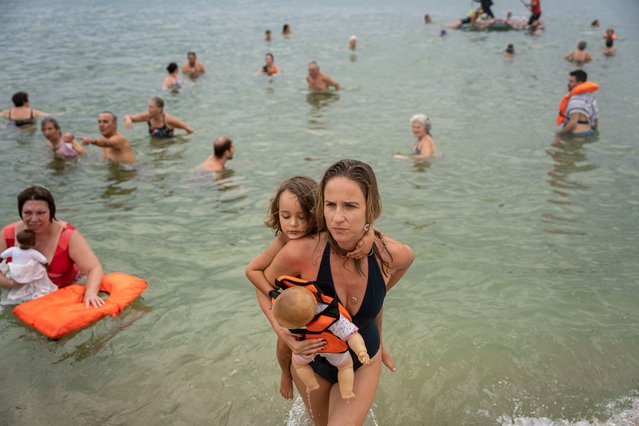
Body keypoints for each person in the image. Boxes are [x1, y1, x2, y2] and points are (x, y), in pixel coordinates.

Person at [260, 159, 414, 425]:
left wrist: (378, 327)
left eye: (351, 206)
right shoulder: (300, 253)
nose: (337, 217)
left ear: (371, 209)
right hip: (310, 361)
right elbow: (264, 288)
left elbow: (384, 292)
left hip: (362, 361)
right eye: (330, 205)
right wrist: (282, 332)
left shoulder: (391, 255)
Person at [246, 176, 374, 400]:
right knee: (285, 344)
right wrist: (273, 294)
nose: (293, 224)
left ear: (315, 215)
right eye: (285, 217)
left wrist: (369, 235)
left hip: (312, 301)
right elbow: (252, 271)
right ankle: (285, 373)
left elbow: (361, 223)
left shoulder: (325, 232)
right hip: (287, 300)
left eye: (301, 217)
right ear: (278, 215)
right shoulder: (285, 240)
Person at [0, 186, 104, 309]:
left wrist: (90, 293)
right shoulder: (8, 234)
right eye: (27, 213)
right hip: (20, 296)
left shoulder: (67, 235)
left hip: (62, 293)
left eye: (41, 213)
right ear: (20, 212)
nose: (34, 219)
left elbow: (94, 268)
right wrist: (11, 284)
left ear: (51, 211)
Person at [271, 284, 371, 400]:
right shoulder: (328, 315)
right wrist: (361, 351)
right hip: (334, 350)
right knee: (345, 367)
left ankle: (311, 384)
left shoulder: (291, 321)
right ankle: (347, 392)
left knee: (299, 365)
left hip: (307, 349)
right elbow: (352, 335)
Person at [0, 229, 58, 307]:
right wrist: (46, 267)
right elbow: (43, 260)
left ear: (18, 240)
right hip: (28, 273)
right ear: (33, 243)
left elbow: (2, 256)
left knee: (14, 288)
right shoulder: (32, 252)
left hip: (14, 272)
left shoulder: (13, 249)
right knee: (36, 268)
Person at [556, 70, 599, 140]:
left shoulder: (576, 99)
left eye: (571, 81)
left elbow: (573, 123)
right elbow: (595, 120)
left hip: (577, 134)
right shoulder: (590, 96)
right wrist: (594, 132)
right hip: (589, 132)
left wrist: (560, 133)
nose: (568, 83)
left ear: (579, 83)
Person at [124, 97, 193, 138]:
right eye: (148, 107)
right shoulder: (148, 116)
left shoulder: (167, 119)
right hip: (154, 148)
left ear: (160, 109)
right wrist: (128, 120)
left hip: (169, 148)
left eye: (151, 107)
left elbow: (187, 128)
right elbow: (128, 116)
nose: (149, 109)